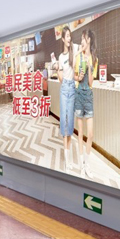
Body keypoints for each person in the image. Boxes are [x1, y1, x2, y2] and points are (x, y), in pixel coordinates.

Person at [50, 26, 77, 171]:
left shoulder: (74, 50)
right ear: (62, 39)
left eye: (70, 36)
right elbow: (61, 79)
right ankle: (67, 159)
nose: (69, 38)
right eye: (67, 36)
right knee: (64, 123)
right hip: (64, 88)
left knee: (70, 122)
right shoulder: (60, 57)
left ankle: (69, 156)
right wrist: (57, 68)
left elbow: (84, 48)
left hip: (72, 88)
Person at [74, 29, 98, 178]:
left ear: (89, 40)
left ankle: (87, 164)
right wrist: (78, 76)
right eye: (82, 38)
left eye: (83, 38)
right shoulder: (78, 57)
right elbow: (74, 76)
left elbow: (90, 83)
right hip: (79, 95)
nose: (82, 41)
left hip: (88, 96)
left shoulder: (94, 59)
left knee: (90, 134)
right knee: (80, 133)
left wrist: (89, 67)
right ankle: (82, 165)